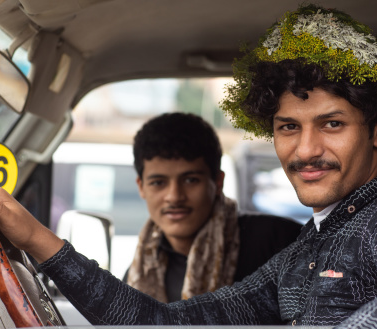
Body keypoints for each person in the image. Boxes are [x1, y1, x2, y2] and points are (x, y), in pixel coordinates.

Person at [0, 5, 377, 329]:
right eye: (288, 127)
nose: (305, 151)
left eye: (333, 124)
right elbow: (162, 325)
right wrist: (36, 238)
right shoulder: (311, 245)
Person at [124, 112, 302, 302]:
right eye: (158, 183)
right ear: (141, 187)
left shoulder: (278, 242)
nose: (174, 197)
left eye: (190, 180)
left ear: (218, 182)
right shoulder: (138, 272)